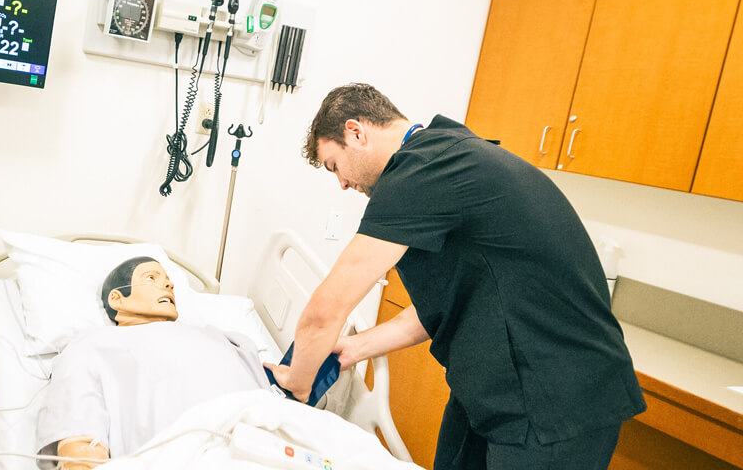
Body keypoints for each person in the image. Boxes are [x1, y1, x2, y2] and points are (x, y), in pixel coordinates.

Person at [267, 83, 645, 470]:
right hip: (498, 387)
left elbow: (325, 312)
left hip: (556, 399)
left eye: (335, 166)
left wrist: (295, 383)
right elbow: (450, 302)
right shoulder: (444, 153)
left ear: (356, 132)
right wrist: (357, 347)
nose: (343, 183)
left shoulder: (419, 172)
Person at [36, 257, 269, 470]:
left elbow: (272, 394)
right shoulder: (92, 343)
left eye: (169, 282)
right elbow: (80, 434)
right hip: (190, 455)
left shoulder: (226, 337)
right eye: (151, 278)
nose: (168, 286)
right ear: (117, 298)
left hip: (274, 447)